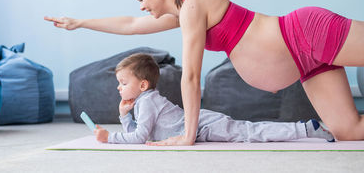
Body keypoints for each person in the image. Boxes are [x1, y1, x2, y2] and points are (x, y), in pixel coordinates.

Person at [44, 0, 364, 145]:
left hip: (307, 34)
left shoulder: (194, 2)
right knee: (347, 131)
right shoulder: (181, 13)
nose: (141, 7)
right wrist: (81, 22)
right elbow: (130, 24)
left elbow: (192, 76)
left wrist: (188, 134)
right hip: (304, 63)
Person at [93, 53, 335, 144]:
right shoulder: (144, 101)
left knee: (250, 133)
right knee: (249, 131)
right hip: (202, 127)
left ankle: (305, 129)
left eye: (123, 83)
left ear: (143, 85)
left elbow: (139, 137)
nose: (119, 88)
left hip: (204, 125)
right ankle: (305, 129)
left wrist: (109, 137)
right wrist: (124, 116)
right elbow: (142, 133)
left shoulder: (147, 102)